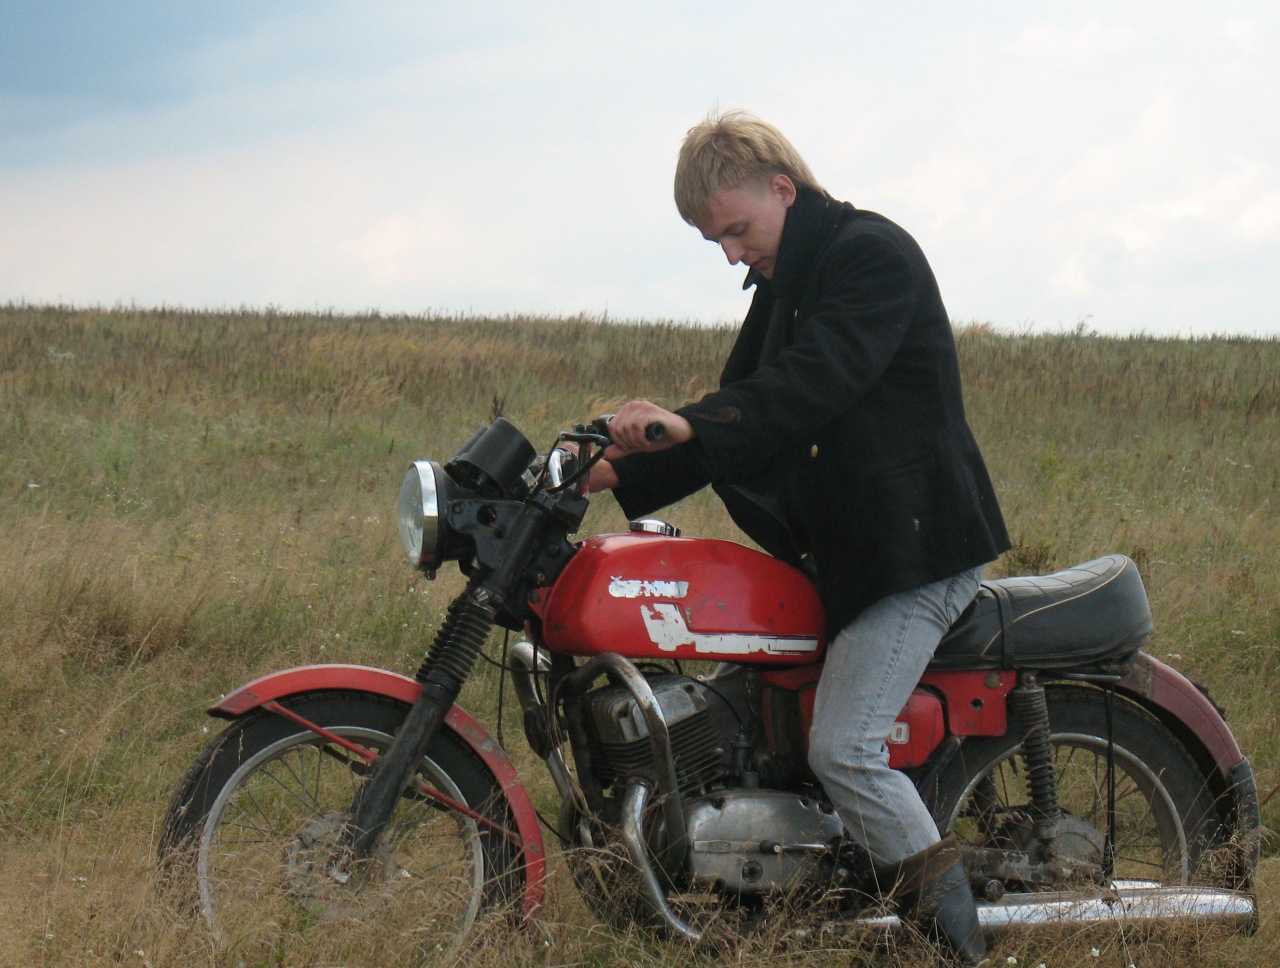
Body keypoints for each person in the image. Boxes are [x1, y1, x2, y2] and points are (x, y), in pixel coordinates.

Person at [587, 110, 1009, 965]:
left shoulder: (870, 256)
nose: (731, 254)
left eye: (736, 230)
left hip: (913, 555)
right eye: (716, 241)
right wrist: (608, 471)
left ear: (783, 188)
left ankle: (957, 951)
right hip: (850, 556)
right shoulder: (788, 279)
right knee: (742, 708)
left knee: (845, 750)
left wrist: (686, 423)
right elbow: (740, 421)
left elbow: (812, 384)